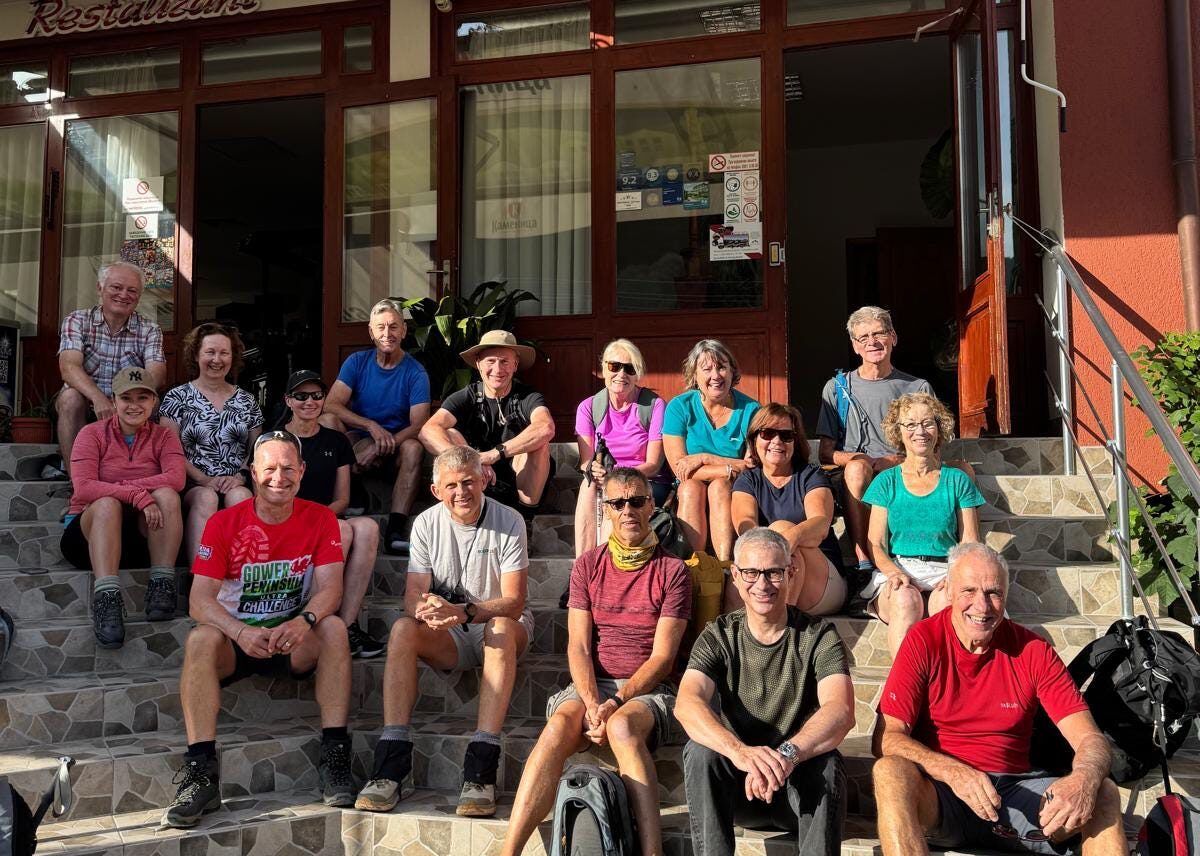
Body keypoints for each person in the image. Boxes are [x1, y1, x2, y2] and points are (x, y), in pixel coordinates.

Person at [872, 542, 1125, 856]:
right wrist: (951, 771)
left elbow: (1091, 738)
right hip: (942, 796)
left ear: (1005, 596)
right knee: (889, 772)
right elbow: (886, 738)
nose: (982, 606)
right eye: (969, 591)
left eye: (993, 593)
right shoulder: (923, 640)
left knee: (1103, 793)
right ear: (947, 590)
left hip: (1016, 793)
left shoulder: (1033, 650)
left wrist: (1084, 779)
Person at [162, 430, 354, 828]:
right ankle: (200, 771)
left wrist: (303, 622)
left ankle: (335, 755)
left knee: (334, 628)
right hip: (235, 641)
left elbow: (331, 590)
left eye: (288, 468)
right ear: (252, 472)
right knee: (200, 637)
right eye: (269, 469)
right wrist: (239, 632)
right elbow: (199, 601)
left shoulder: (321, 518)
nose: (278, 477)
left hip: (292, 639)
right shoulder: (223, 522)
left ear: (302, 471)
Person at [501, 467, 691, 856]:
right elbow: (578, 647)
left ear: (651, 506)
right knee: (558, 727)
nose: (628, 511)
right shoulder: (588, 565)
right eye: (618, 503)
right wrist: (591, 703)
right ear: (606, 510)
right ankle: (509, 852)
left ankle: (652, 852)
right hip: (592, 686)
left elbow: (662, 657)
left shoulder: (673, 570)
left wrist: (615, 702)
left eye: (637, 501)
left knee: (621, 727)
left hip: (648, 691)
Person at [354, 445, 531, 818]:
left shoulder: (510, 519)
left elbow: (514, 602)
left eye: (468, 482)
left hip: (496, 624)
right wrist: (427, 610)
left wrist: (463, 612)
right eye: (451, 485)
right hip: (450, 630)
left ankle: (482, 766)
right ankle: (391, 762)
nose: (461, 492)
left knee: (500, 627)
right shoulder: (425, 523)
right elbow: (412, 596)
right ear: (436, 491)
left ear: (483, 480)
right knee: (403, 629)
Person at [674, 528, 854, 856]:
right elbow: (687, 703)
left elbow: (840, 711)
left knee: (827, 764)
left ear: (791, 573)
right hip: (738, 789)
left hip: (797, 787)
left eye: (773, 572)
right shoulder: (718, 635)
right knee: (700, 753)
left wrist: (786, 755)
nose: (762, 584)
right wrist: (740, 753)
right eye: (751, 573)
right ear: (735, 576)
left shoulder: (819, 635)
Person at [61, 366, 185, 648]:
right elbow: (84, 488)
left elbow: (176, 478)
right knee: (107, 504)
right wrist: (136, 495)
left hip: (141, 538)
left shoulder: (164, 436)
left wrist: (130, 489)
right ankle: (107, 600)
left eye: (143, 397)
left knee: (167, 495)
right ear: (113, 400)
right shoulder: (91, 433)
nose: (134, 405)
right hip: (88, 538)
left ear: (153, 402)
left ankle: (161, 585)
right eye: (126, 398)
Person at [861, 392, 985, 658]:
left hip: (945, 567)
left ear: (939, 429)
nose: (920, 431)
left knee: (949, 604)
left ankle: (949, 679)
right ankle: (905, 681)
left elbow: (970, 542)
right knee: (905, 601)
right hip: (900, 567)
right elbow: (876, 544)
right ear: (898, 431)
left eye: (928, 423)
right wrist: (893, 573)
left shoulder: (957, 480)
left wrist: (956, 575)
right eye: (910, 424)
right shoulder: (886, 482)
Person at [815, 306, 934, 573]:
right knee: (857, 469)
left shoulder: (917, 388)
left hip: (902, 468)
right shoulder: (837, 388)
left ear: (893, 337)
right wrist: (863, 460)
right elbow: (825, 453)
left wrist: (895, 460)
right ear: (855, 346)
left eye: (879, 333)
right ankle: (864, 562)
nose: (872, 342)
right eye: (863, 337)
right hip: (855, 474)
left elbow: (934, 449)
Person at [280, 369, 385, 659]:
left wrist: (319, 518)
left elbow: (342, 499)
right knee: (342, 530)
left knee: (367, 528)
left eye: (316, 395)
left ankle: (346, 625)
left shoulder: (336, 441)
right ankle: (318, 623)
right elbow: (265, 494)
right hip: (285, 519)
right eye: (301, 396)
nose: (309, 401)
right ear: (288, 400)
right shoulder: (275, 440)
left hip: (325, 515)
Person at [322, 299, 430, 555]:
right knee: (327, 422)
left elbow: (419, 424)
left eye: (393, 327)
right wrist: (370, 426)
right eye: (380, 327)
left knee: (414, 448)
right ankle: (353, 492)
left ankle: (394, 531)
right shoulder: (357, 362)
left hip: (397, 447)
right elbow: (331, 405)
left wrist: (382, 444)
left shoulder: (416, 372)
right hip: (360, 442)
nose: (387, 333)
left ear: (404, 331)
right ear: (371, 332)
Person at [419, 329, 555, 520]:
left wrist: (494, 454)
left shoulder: (528, 396)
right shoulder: (467, 396)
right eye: (491, 361)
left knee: (540, 443)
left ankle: (526, 519)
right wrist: (473, 460)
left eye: (504, 361)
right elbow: (427, 431)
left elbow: (545, 427)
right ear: (478, 364)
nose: (498, 369)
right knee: (449, 433)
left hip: (519, 477)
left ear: (515, 365)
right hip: (477, 477)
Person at [160, 323, 263, 567]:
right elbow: (170, 450)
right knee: (206, 498)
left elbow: (257, 449)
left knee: (241, 497)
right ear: (196, 355)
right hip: (192, 482)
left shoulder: (247, 400)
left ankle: (240, 575)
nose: (217, 359)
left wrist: (240, 475)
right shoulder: (176, 398)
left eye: (224, 353)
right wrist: (203, 479)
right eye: (210, 352)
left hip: (234, 480)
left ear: (232, 357)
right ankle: (200, 576)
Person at [731, 403, 844, 616]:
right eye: (767, 433)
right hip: (768, 576)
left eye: (786, 436)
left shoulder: (811, 476)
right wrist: (778, 550)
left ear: (795, 441)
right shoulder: (747, 481)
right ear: (754, 439)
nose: (777, 441)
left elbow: (820, 524)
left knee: (782, 530)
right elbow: (745, 529)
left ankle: (780, 623)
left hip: (822, 582)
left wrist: (788, 539)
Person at [56, 261, 166, 474]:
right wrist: (98, 398)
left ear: (139, 296)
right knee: (70, 399)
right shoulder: (77, 320)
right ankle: (78, 481)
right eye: (116, 287)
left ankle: (136, 475)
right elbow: (69, 367)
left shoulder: (150, 329)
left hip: (126, 405)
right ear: (100, 288)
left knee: (153, 403)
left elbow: (157, 375)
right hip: (85, 403)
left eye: (132, 290)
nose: (124, 295)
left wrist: (124, 402)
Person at [663, 339, 760, 563]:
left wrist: (704, 458)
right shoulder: (679, 407)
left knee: (719, 487)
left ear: (732, 371)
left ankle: (725, 565)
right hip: (690, 487)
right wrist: (727, 468)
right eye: (707, 369)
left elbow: (752, 465)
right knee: (690, 487)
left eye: (722, 367)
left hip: (736, 486)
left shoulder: (751, 410)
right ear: (694, 375)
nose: (715, 375)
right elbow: (680, 468)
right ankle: (696, 567)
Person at [573, 339, 670, 556]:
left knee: (617, 495)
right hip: (603, 479)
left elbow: (653, 465)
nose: (621, 374)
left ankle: (605, 563)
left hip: (645, 479)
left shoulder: (654, 405)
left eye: (629, 368)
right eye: (614, 366)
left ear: (638, 374)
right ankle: (583, 564)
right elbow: (586, 462)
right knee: (587, 486)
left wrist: (616, 478)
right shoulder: (588, 407)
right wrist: (594, 470)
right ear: (603, 369)